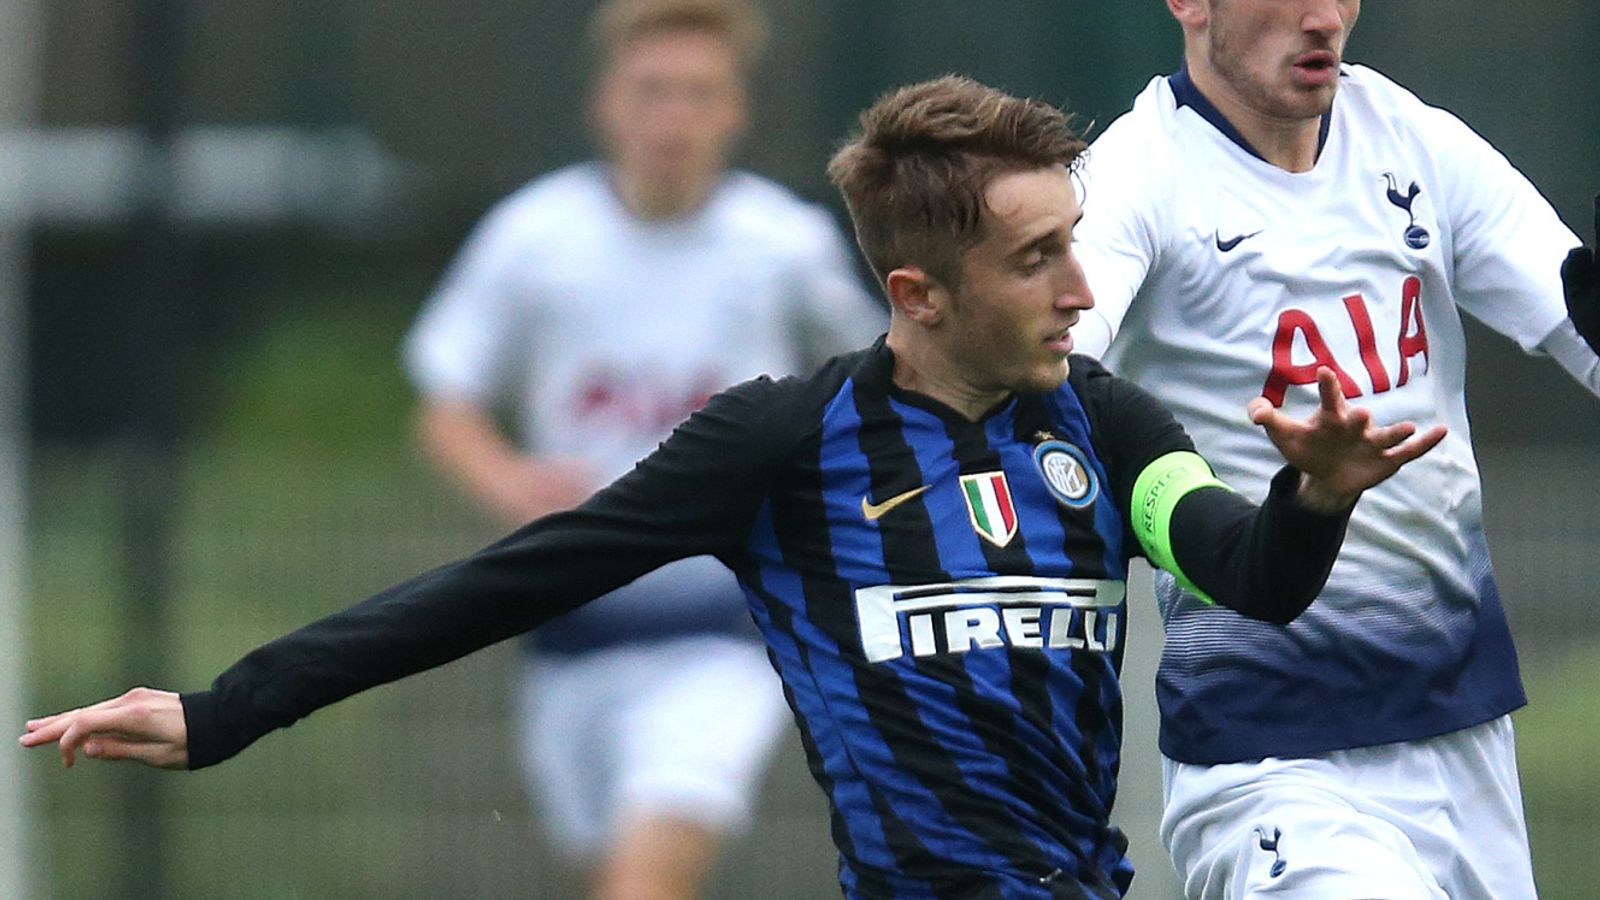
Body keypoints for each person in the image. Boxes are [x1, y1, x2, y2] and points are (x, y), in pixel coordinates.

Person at [21, 76, 1448, 900]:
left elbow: (1239, 569)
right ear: (917, 292)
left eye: (1078, 242)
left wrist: (1310, 499)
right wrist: (233, 707)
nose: (1085, 288)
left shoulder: (1112, 425)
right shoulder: (784, 442)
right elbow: (509, 581)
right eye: (1038, 260)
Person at [1069, 1, 1600, 897]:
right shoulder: (1136, 173)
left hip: (1463, 734)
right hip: (1271, 759)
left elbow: (1575, 318)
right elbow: (1052, 375)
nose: (1325, 17)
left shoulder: (1411, 137)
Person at [401, 0, 882, 897]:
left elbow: (867, 396)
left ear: (734, 109)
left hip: (721, 635)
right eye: (652, 91)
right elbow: (444, 402)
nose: (674, 117)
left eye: (699, 93)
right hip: (570, 632)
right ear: (606, 104)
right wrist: (509, 481)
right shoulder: (535, 236)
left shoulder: (783, 246)